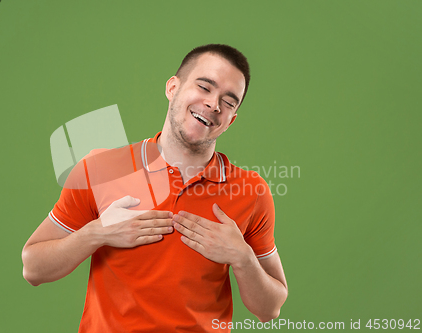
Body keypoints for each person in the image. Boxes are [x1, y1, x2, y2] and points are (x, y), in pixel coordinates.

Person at [22, 44, 288, 332]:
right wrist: (97, 233)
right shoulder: (99, 168)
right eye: (205, 86)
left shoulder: (251, 191)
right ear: (173, 88)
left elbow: (269, 309)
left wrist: (242, 257)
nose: (214, 105)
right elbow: (33, 269)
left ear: (230, 120)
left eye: (229, 101)